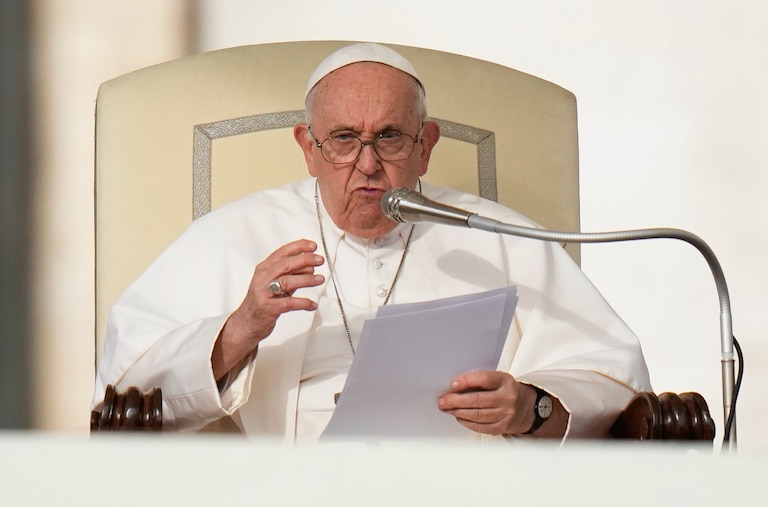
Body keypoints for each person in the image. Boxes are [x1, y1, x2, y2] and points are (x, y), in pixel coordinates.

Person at [92, 42, 651, 441]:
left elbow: (610, 377)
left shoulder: (501, 236)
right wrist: (240, 328)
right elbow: (124, 389)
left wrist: (532, 407)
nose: (367, 165)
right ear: (307, 148)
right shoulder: (234, 233)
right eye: (342, 140)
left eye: (389, 138)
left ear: (426, 144)